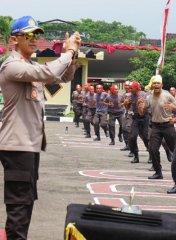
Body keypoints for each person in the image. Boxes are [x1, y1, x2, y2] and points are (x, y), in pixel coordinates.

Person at [0, 16, 81, 239]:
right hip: (17, 146)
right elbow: (50, 73)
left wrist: (72, 56)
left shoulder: (31, 66)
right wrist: (68, 53)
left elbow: (63, 76)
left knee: (25, 202)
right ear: (14, 39)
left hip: (29, 146)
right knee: (18, 205)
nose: (34, 39)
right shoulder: (12, 66)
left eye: (37, 35)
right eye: (28, 35)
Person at [138, 75, 176, 179]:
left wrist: (172, 107)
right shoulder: (149, 96)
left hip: (168, 125)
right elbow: (142, 112)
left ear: (161, 85)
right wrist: (140, 106)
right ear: (152, 85)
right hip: (155, 126)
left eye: (158, 83)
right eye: (154, 83)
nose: (156, 85)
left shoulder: (167, 95)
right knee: (153, 149)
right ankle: (158, 172)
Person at [125, 81, 149, 163]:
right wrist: (126, 104)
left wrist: (142, 104)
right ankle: (136, 156)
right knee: (132, 137)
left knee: (146, 138)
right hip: (135, 117)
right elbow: (128, 108)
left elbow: (148, 106)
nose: (130, 89)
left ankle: (151, 155)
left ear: (136, 88)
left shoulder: (144, 95)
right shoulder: (129, 96)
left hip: (145, 117)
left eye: (131, 88)